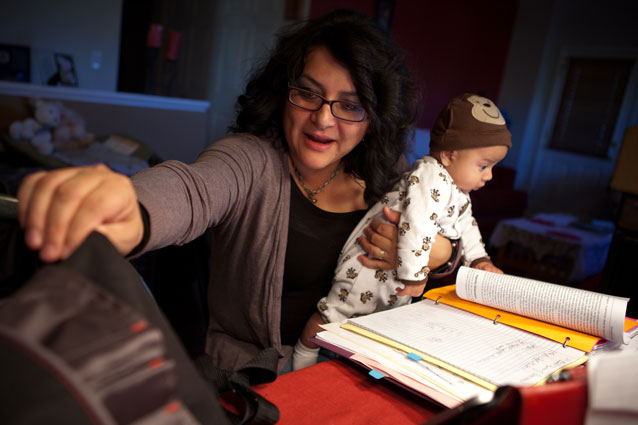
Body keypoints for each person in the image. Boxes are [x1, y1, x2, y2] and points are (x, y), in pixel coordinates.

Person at [16, 10, 452, 372]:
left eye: (350, 105)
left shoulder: (393, 177)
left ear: (374, 118)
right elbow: (193, 189)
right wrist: (133, 207)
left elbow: (446, 249)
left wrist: (438, 256)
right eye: (308, 93)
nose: (322, 119)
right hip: (258, 381)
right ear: (285, 93)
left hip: (360, 369)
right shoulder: (250, 159)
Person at [292, 93, 510, 370]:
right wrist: (416, 276)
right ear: (449, 154)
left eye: (492, 167)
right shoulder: (430, 175)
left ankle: (345, 367)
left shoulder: (459, 193)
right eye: (483, 166)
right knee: (334, 313)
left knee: (378, 325)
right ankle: (301, 358)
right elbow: (416, 226)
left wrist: (480, 260)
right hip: (367, 264)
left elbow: (467, 228)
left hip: (398, 273)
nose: (489, 176)